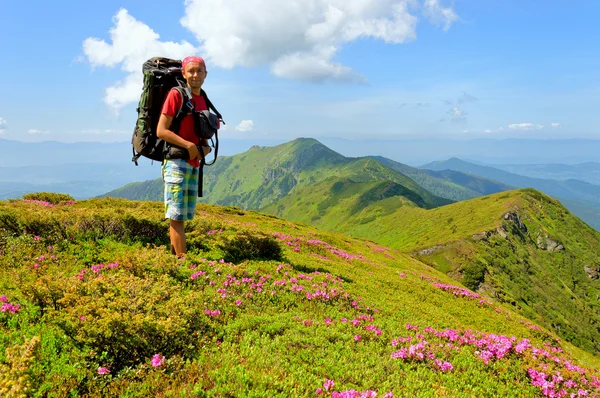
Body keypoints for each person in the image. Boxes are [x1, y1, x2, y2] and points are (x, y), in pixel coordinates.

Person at [157, 56, 212, 257]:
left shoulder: (203, 98)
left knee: (183, 215)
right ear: (183, 73)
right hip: (176, 162)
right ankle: (183, 262)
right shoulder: (176, 94)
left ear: (206, 74)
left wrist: (204, 147)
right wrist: (188, 145)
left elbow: (202, 132)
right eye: (191, 71)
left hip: (194, 163)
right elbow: (161, 131)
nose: (195, 75)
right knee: (176, 216)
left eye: (199, 71)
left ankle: (176, 258)